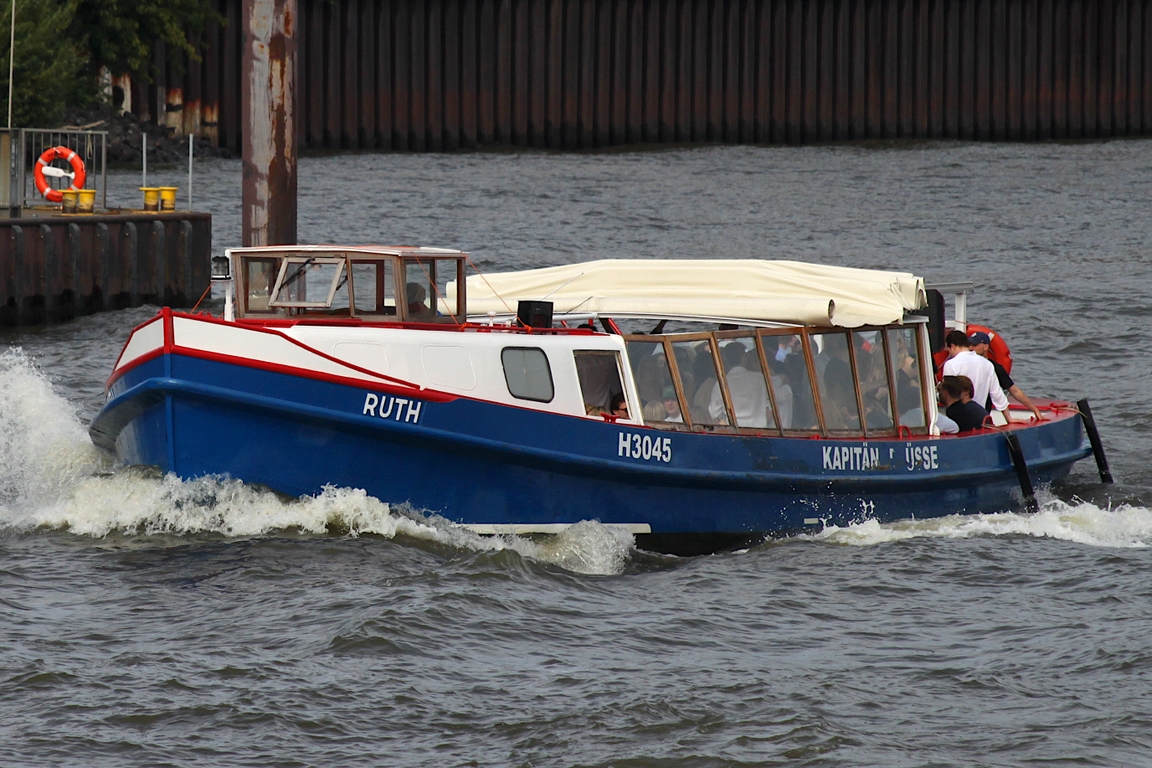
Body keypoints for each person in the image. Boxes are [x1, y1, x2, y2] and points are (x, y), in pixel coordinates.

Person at [969, 331, 1044, 421]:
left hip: (982, 414)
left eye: (974, 345)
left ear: (985, 347)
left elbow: (1014, 390)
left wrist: (1035, 410)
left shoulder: (995, 368)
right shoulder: (962, 364)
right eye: (969, 345)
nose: (970, 348)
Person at [941, 330, 1008, 418]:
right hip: (980, 416)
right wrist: (1009, 418)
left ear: (953, 346)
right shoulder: (987, 364)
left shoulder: (951, 364)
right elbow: (997, 394)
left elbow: (949, 395)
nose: (949, 353)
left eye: (948, 349)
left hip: (958, 418)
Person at [709, 343, 769, 428]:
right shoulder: (759, 378)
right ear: (743, 357)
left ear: (726, 359)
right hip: (759, 431)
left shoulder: (721, 383)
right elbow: (770, 405)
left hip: (733, 431)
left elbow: (714, 412)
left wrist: (727, 423)